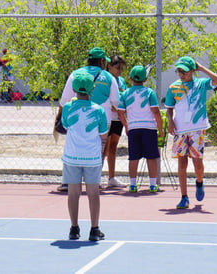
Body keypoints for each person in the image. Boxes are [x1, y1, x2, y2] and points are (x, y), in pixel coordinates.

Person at [56, 47, 119, 192]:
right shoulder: (108, 77)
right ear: (102, 61)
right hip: (101, 117)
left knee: (72, 145)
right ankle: (94, 182)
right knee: (99, 149)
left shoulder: (76, 74)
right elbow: (116, 101)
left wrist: (59, 116)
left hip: (75, 116)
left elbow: (65, 98)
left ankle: (67, 181)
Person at [165, 56, 217, 209]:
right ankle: (184, 197)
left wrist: (201, 68)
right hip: (180, 130)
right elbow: (169, 108)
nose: (182, 74)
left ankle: (199, 181)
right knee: (182, 162)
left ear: (192, 71)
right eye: (179, 71)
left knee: (197, 162)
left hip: (197, 128)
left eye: (185, 71)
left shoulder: (200, 84)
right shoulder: (173, 87)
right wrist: (170, 121)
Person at [62, 72, 108, 241]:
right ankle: (94, 229)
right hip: (92, 157)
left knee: (73, 193)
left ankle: (74, 228)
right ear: (92, 89)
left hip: (72, 155)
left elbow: (66, 125)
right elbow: (104, 133)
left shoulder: (67, 107)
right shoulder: (99, 110)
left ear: (74, 89)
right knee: (93, 193)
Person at [118, 65, 164, 193]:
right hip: (149, 127)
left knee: (133, 157)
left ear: (130, 78)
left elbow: (120, 112)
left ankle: (132, 184)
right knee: (152, 156)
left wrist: (126, 126)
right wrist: (160, 128)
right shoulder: (149, 92)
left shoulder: (125, 93)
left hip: (133, 128)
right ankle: (153, 184)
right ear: (146, 79)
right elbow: (155, 111)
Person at [105, 55, 127, 187]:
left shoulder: (121, 81)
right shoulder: (106, 79)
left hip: (118, 118)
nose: (119, 71)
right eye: (117, 67)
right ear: (109, 66)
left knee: (113, 147)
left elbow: (122, 97)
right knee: (103, 148)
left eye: (121, 68)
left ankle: (111, 177)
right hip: (108, 117)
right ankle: (94, 178)